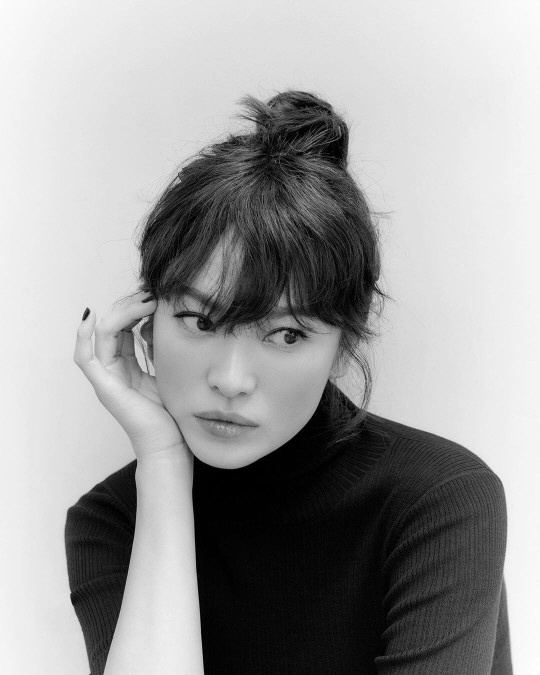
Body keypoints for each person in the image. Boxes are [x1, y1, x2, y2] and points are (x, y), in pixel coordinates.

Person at [65, 90, 512, 675]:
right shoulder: (112, 520)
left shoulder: (440, 499)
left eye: (286, 334)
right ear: (146, 321)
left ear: (343, 345)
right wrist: (164, 465)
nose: (231, 380)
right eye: (200, 321)